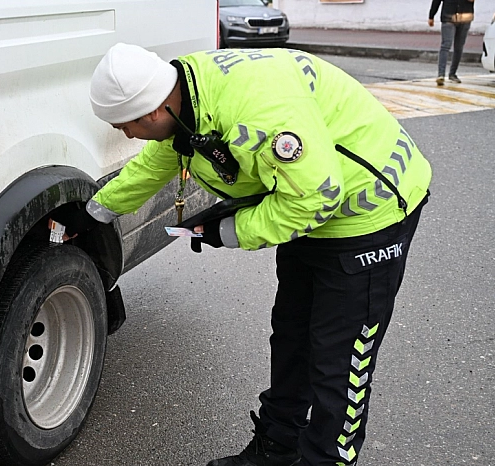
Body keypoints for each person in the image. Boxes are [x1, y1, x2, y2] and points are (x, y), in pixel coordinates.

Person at [63, 43, 432, 465]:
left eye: (124, 125)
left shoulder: (255, 115)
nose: (125, 135)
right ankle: (277, 448)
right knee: (293, 336)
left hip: (369, 212)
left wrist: (230, 230)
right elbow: (155, 164)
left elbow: (317, 198)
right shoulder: (189, 96)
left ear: (152, 112)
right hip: (304, 204)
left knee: (340, 362)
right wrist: (94, 213)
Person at [429, 0, 475, 86]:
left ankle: (452, 74)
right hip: (448, 16)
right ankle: (441, 74)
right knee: (446, 45)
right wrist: (431, 15)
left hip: (465, 18)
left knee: (459, 47)